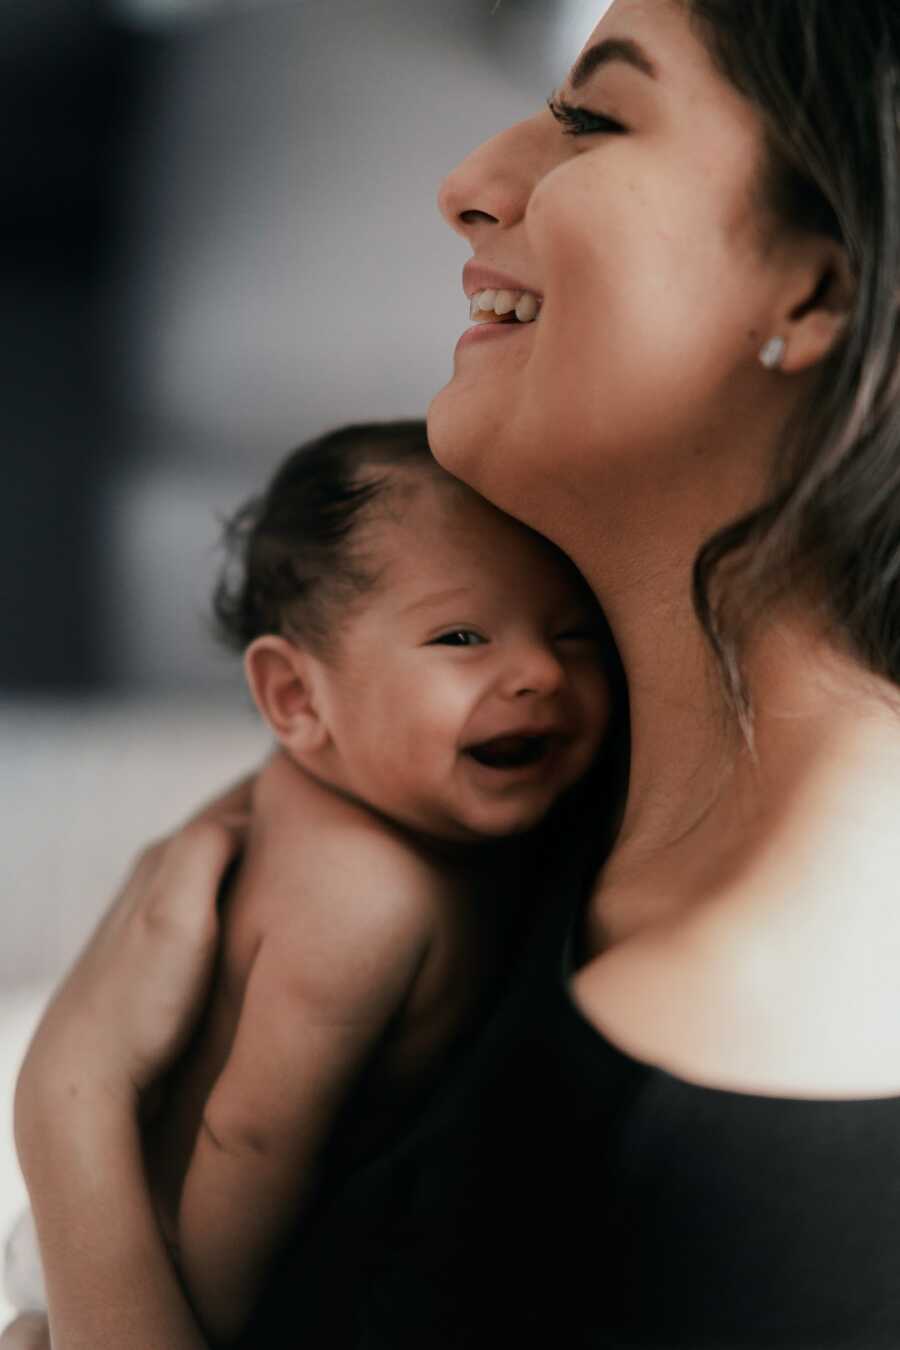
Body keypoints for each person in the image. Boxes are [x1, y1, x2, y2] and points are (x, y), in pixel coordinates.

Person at [7, 0, 900, 1344]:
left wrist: (70, 1116)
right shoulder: (560, 787)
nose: (467, 183)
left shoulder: (731, 1103)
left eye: (596, 118)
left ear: (819, 286)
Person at [3, 420, 614, 1344]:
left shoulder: (370, 795)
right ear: (296, 699)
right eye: (461, 636)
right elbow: (251, 1139)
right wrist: (199, 1326)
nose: (538, 672)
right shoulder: (366, 893)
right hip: (157, 1240)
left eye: (573, 633)